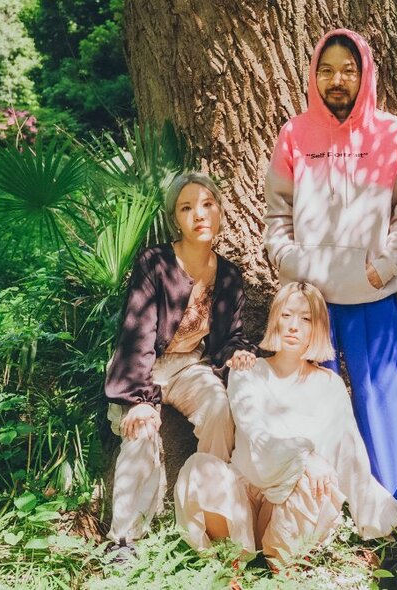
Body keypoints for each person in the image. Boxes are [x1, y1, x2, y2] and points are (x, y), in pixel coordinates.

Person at [264, 28, 397, 501]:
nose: (338, 79)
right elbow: (276, 214)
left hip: (373, 293)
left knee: (381, 401)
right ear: (314, 74)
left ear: (364, 75)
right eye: (328, 69)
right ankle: (322, 509)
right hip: (311, 300)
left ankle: (387, 504)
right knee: (314, 406)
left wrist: (387, 261)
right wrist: (296, 266)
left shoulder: (391, 132)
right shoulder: (295, 134)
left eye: (349, 70)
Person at [173, 282, 397, 563]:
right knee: (200, 467)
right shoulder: (248, 370)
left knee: (318, 482)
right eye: (287, 315)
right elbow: (256, 433)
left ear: (316, 328)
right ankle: (231, 566)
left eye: (305, 319)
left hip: (289, 506)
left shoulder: (330, 384)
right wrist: (306, 455)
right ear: (275, 320)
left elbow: (349, 454)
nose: (294, 326)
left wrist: (380, 522)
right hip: (243, 499)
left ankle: (282, 570)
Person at [104, 172, 257, 555]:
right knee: (140, 432)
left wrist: (237, 351)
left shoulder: (229, 276)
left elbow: (226, 338)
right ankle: (124, 539)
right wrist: (138, 398)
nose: (199, 215)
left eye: (207, 205)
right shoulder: (155, 262)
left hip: (191, 366)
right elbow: (137, 332)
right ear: (176, 218)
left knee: (220, 411)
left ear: (220, 211)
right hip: (145, 366)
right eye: (187, 208)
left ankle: (212, 510)